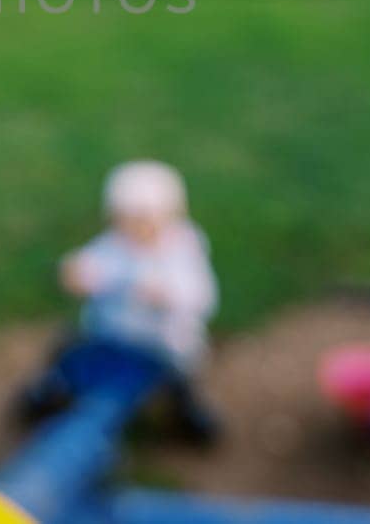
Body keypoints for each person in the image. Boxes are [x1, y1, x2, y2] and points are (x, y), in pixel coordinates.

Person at [21, 160, 223, 444]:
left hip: (159, 345)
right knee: (67, 349)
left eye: (144, 221)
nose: (134, 229)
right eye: (125, 220)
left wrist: (167, 295)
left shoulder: (183, 250)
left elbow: (203, 298)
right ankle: (51, 391)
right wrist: (75, 273)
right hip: (109, 333)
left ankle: (186, 415)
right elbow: (91, 266)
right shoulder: (114, 245)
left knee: (179, 377)